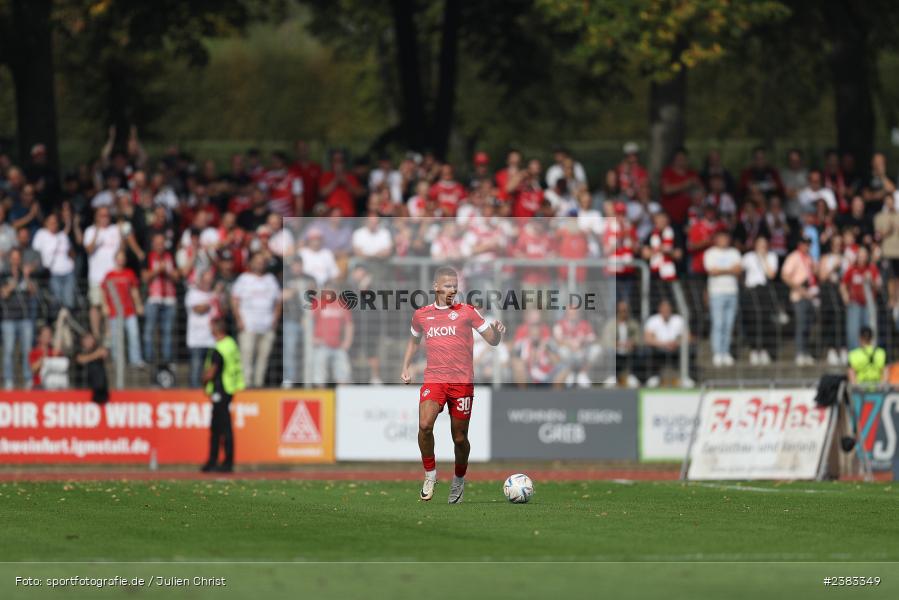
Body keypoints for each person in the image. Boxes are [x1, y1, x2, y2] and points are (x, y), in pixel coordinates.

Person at [400, 266, 505, 504]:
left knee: (459, 438)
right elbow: (413, 341)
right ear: (436, 287)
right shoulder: (422, 315)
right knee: (425, 425)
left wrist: (497, 333)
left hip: (462, 383)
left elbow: (492, 340)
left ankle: (459, 478)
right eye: (447, 285)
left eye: (455, 285)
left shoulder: (468, 312)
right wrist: (406, 366)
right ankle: (430, 475)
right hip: (434, 379)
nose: (452, 289)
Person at [201, 318, 246, 473]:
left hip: (220, 390)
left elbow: (211, 372)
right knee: (223, 427)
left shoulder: (219, 348)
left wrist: (204, 381)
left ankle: (220, 462)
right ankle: (219, 461)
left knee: (219, 429)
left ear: (216, 330)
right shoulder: (231, 344)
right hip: (229, 389)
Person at [231, 252, 282, 387]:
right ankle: (246, 386)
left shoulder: (270, 279)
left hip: (267, 326)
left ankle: (258, 386)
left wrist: (275, 319)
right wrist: (239, 320)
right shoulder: (243, 279)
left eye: (262, 261)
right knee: (246, 358)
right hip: (248, 325)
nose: (260, 263)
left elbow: (278, 301)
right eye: (257, 260)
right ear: (251, 262)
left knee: (263, 360)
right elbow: (235, 300)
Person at [704, 230, 742, 367]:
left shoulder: (734, 252)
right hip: (717, 292)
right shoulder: (710, 253)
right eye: (721, 238)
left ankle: (725, 352)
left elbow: (738, 270)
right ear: (716, 239)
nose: (724, 240)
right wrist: (729, 270)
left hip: (732, 291)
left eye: (726, 238)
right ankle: (717, 353)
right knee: (718, 324)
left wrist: (722, 270)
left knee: (729, 324)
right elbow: (712, 271)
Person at [0, 248, 37, 389]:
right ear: (10, 259)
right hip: (8, 318)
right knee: (8, 350)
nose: (16, 260)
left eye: (18, 258)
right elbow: (3, 294)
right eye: (13, 257)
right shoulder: (4, 274)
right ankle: (9, 380)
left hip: (25, 318)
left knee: (27, 350)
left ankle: (28, 379)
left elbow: (33, 292)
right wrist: (14, 281)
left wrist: (26, 277)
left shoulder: (25, 275)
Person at [102, 251, 145, 367]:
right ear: (115, 259)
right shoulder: (109, 275)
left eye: (123, 258)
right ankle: (117, 360)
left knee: (134, 335)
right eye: (119, 258)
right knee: (116, 338)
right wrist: (105, 305)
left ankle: (135, 359)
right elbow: (104, 291)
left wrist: (138, 305)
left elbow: (134, 291)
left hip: (129, 311)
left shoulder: (129, 273)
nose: (121, 260)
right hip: (114, 312)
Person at [781, 237, 818, 366]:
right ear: (799, 244)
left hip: (810, 295)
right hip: (798, 296)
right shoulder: (794, 257)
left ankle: (806, 352)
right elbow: (785, 275)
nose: (807, 246)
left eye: (809, 244)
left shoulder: (809, 258)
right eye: (805, 244)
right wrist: (799, 288)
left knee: (808, 325)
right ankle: (800, 353)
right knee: (801, 325)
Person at [841, 245, 881, 352]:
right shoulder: (852, 269)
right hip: (855, 303)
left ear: (867, 257)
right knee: (853, 330)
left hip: (869, 304)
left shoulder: (872, 269)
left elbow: (879, 285)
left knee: (870, 329)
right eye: (860, 255)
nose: (862, 258)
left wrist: (871, 280)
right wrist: (845, 295)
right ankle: (854, 355)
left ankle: (869, 354)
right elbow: (843, 284)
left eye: (864, 255)